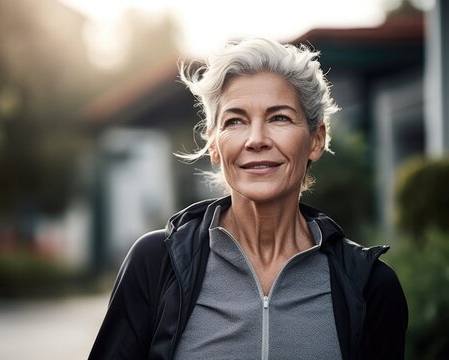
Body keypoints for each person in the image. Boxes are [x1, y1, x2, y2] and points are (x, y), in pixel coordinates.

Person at [88, 38, 408, 360]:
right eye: (235, 121)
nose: (256, 140)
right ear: (214, 145)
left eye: (279, 117)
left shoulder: (369, 287)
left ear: (316, 139)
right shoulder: (157, 263)